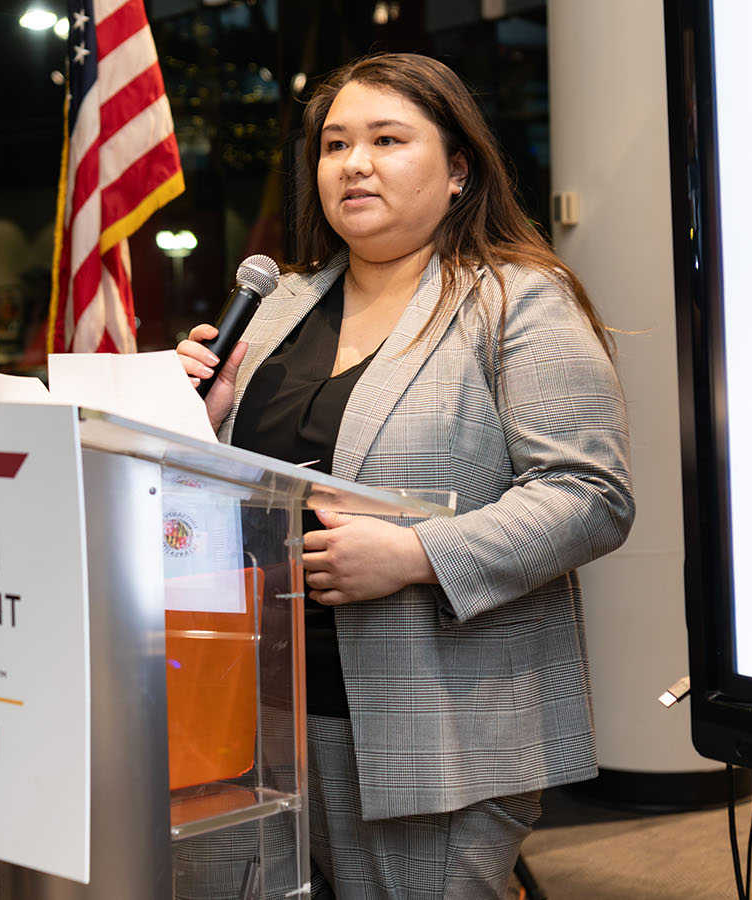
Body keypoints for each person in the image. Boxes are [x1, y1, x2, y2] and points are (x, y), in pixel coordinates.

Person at [177, 53, 635, 899]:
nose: (354, 163)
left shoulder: (516, 301)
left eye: (388, 139)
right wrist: (196, 429)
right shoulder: (280, 305)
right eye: (336, 144)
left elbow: (592, 497)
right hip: (258, 713)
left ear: (459, 169)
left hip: (431, 721)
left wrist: (416, 555)